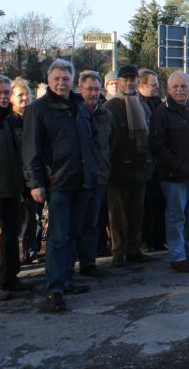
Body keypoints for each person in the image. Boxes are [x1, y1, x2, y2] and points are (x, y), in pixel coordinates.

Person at [23, 59, 99, 312]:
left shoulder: (79, 104)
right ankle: (54, 288)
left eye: (65, 78)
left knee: (73, 234)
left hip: (82, 180)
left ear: (72, 80)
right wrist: (35, 182)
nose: (61, 82)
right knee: (57, 237)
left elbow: (91, 140)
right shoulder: (39, 109)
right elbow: (31, 149)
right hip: (58, 183)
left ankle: (66, 280)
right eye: (56, 78)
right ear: (48, 79)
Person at [149, 71, 189, 272]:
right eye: (175, 87)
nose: (179, 90)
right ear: (168, 89)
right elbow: (157, 145)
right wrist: (176, 164)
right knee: (177, 217)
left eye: (183, 86)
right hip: (175, 177)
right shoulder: (161, 113)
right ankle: (178, 256)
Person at [0, 75, 31, 301]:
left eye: (5, 93)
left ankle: (9, 277)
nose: (2, 97)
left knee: (12, 235)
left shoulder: (11, 120)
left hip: (12, 189)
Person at [104, 65, 154, 267]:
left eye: (133, 79)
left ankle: (134, 248)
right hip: (117, 171)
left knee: (136, 212)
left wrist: (149, 163)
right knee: (118, 215)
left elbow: (149, 136)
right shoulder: (110, 107)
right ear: (119, 82)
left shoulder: (142, 105)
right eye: (126, 79)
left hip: (139, 168)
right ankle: (119, 252)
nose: (130, 83)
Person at [75, 71, 113, 277]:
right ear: (80, 89)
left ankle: (88, 263)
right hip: (77, 177)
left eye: (97, 89)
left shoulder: (106, 114)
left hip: (99, 175)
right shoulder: (73, 111)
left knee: (92, 222)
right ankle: (68, 264)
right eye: (89, 89)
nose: (93, 93)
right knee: (74, 224)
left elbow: (110, 144)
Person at [11, 78, 41, 264]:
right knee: (16, 223)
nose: (24, 98)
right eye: (19, 95)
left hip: (34, 178)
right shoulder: (9, 121)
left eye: (26, 94)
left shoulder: (33, 117)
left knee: (33, 218)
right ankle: (18, 257)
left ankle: (31, 252)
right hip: (16, 180)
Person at [137, 69, 165, 251]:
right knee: (146, 204)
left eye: (157, 84)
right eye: (152, 84)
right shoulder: (137, 105)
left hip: (160, 163)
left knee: (159, 203)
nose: (156, 87)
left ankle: (158, 238)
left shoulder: (159, 103)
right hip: (145, 163)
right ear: (141, 85)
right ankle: (146, 240)